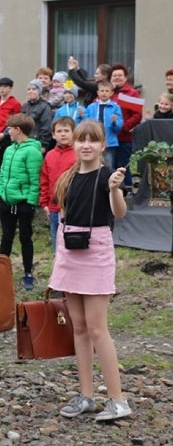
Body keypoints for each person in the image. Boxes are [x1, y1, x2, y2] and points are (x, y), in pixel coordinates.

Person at [49, 121, 131, 422]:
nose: (86, 145)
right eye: (81, 140)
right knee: (79, 326)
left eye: (92, 141)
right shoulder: (68, 176)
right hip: (69, 248)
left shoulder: (108, 176)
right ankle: (86, 395)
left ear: (102, 145)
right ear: (73, 143)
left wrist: (115, 191)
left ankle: (118, 400)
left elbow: (118, 212)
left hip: (96, 249)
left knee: (97, 328)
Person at [0, 113, 43, 291]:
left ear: (18, 130)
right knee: (6, 237)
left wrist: (30, 202)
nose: (8, 132)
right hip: (6, 202)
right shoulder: (9, 149)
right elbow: (1, 174)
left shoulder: (32, 151)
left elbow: (34, 179)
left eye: (10, 129)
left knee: (25, 237)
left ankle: (28, 272)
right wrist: (0, 195)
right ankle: (0, 271)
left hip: (23, 203)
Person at [39, 117, 76, 251]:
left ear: (74, 133)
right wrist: (44, 203)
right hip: (54, 207)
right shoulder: (49, 155)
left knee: (72, 243)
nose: (63, 134)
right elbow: (44, 180)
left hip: (73, 208)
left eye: (66, 130)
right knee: (57, 244)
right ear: (54, 135)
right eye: (59, 131)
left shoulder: (78, 155)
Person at [108, 64, 143, 192]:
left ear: (125, 77)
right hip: (107, 140)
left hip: (123, 138)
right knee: (108, 167)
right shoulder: (107, 92)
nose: (117, 78)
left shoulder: (132, 93)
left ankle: (127, 193)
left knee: (123, 167)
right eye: (114, 76)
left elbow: (137, 115)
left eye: (120, 75)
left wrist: (123, 127)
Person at [78, 81, 122, 168]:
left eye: (107, 91)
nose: (104, 93)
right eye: (102, 91)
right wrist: (82, 116)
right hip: (93, 140)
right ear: (98, 92)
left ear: (111, 93)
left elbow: (119, 126)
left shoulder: (115, 107)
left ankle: (108, 180)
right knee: (94, 163)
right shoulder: (91, 107)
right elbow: (87, 124)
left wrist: (114, 122)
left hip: (109, 142)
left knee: (108, 164)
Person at [0, 77, 22, 183]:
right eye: (0, 86)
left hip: (8, 139)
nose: (2, 89)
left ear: (10, 88)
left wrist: (4, 134)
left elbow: (15, 121)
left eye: (5, 86)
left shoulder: (15, 103)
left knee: (8, 166)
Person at [21, 79, 53, 151]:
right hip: (24, 143)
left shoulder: (45, 106)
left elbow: (46, 127)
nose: (30, 91)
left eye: (34, 89)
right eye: (29, 89)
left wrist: (43, 145)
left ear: (39, 91)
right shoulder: (25, 106)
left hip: (37, 143)